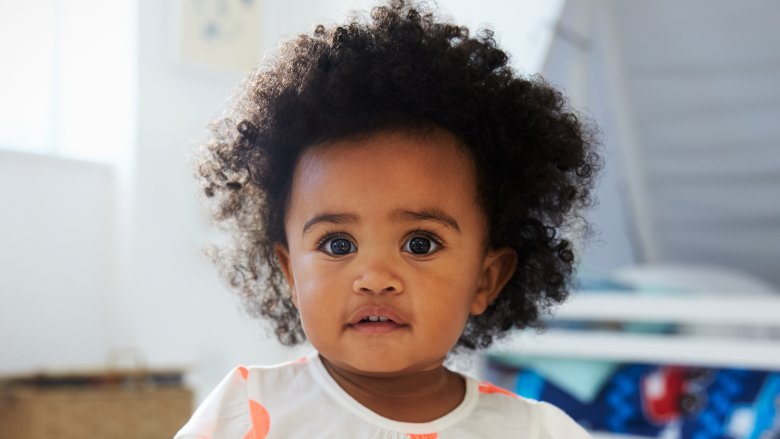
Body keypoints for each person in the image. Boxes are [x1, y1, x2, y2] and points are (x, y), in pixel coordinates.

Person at [176, 1, 600, 437]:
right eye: (337, 244)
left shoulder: (536, 431)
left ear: (485, 280)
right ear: (290, 274)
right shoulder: (246, 411)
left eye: (420, 243)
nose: (375, 277)